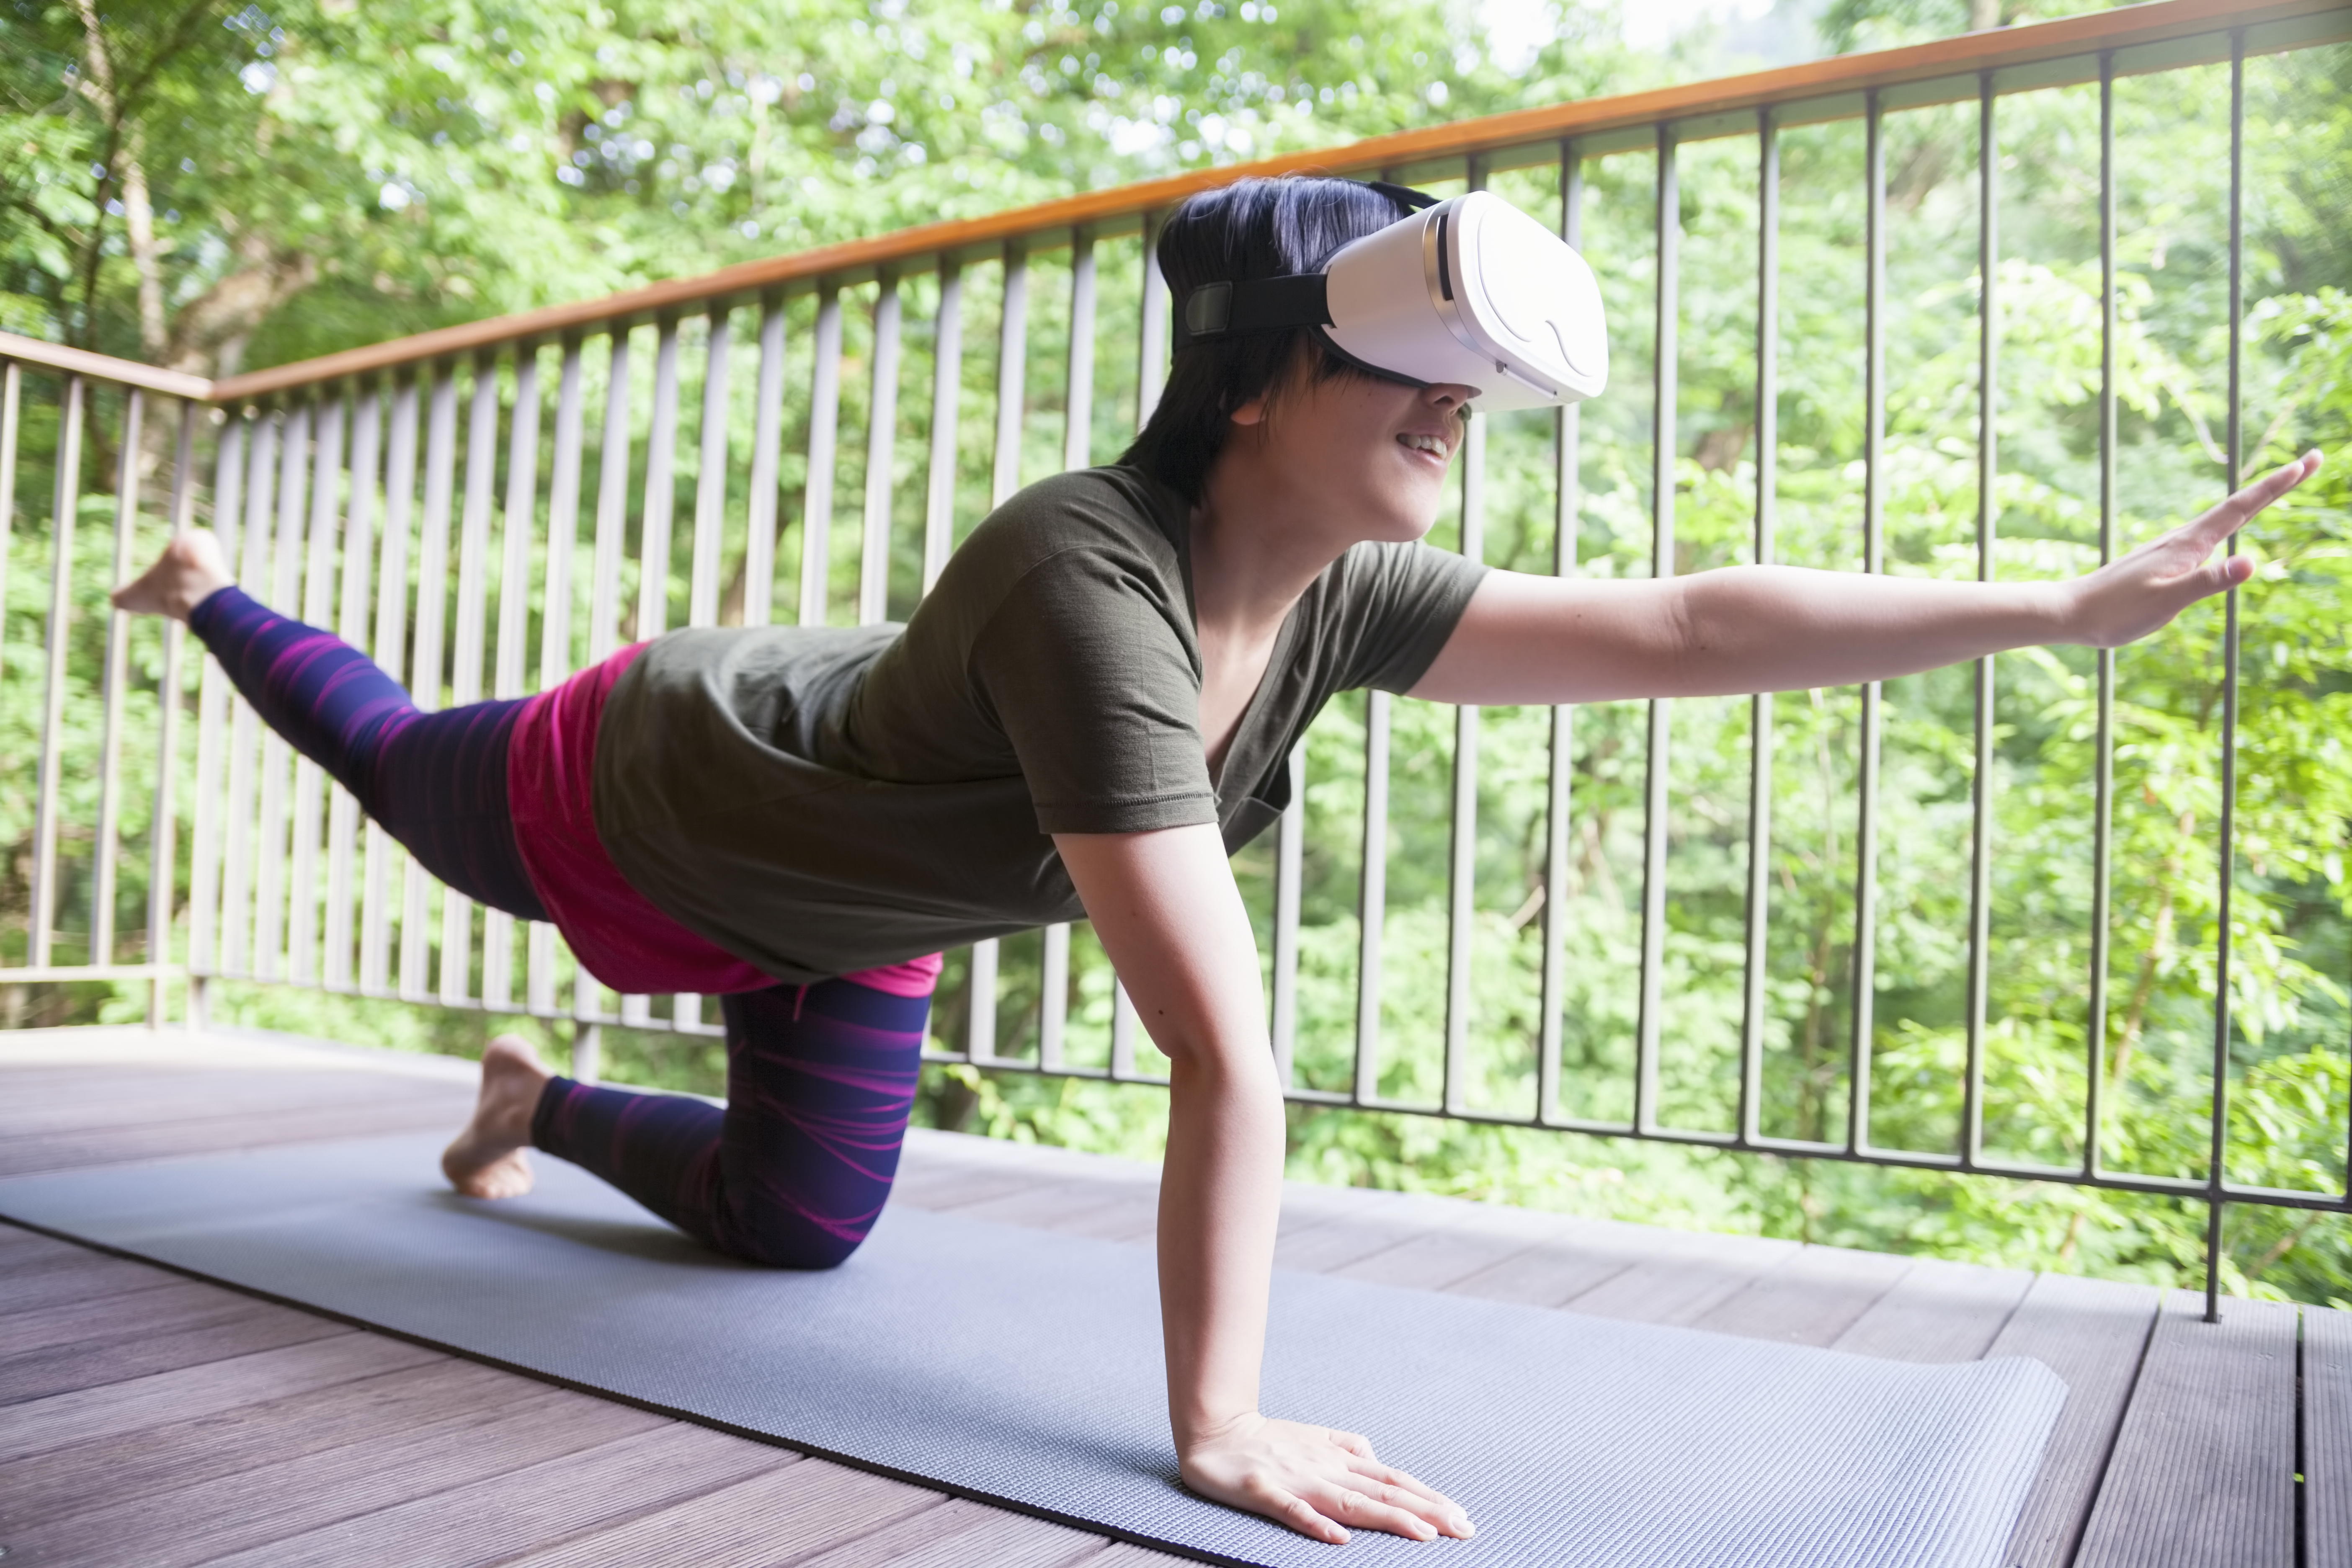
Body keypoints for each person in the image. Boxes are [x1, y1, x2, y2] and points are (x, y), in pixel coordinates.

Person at [115, 175, 2321, 1547]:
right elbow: (1222, 1057)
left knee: (794, 1234)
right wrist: (1221, 1423)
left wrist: (2057, 603)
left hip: (869, 917)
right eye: (1416, 374)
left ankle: (530, 1102)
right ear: (1265, 381)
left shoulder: (1342, 588)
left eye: (1471, 385)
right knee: (396, 765)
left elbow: (1682, 623)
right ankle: (207, 589)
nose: (1457, 413)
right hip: (670, 793)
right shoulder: (1089, 571)